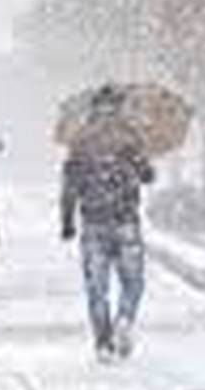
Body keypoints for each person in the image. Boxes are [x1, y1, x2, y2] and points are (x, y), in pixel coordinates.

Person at [60, 84, 155, 362]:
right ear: (119, 106)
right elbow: (148, 176)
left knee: (96, 288)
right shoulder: (130, 136)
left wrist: (67, 220)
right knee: (133, 282)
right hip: (126, 220)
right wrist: (137, 161)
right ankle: (124, 318)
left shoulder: (80, 140)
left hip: (93, 221)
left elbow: (70, 186)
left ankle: (103, 342)